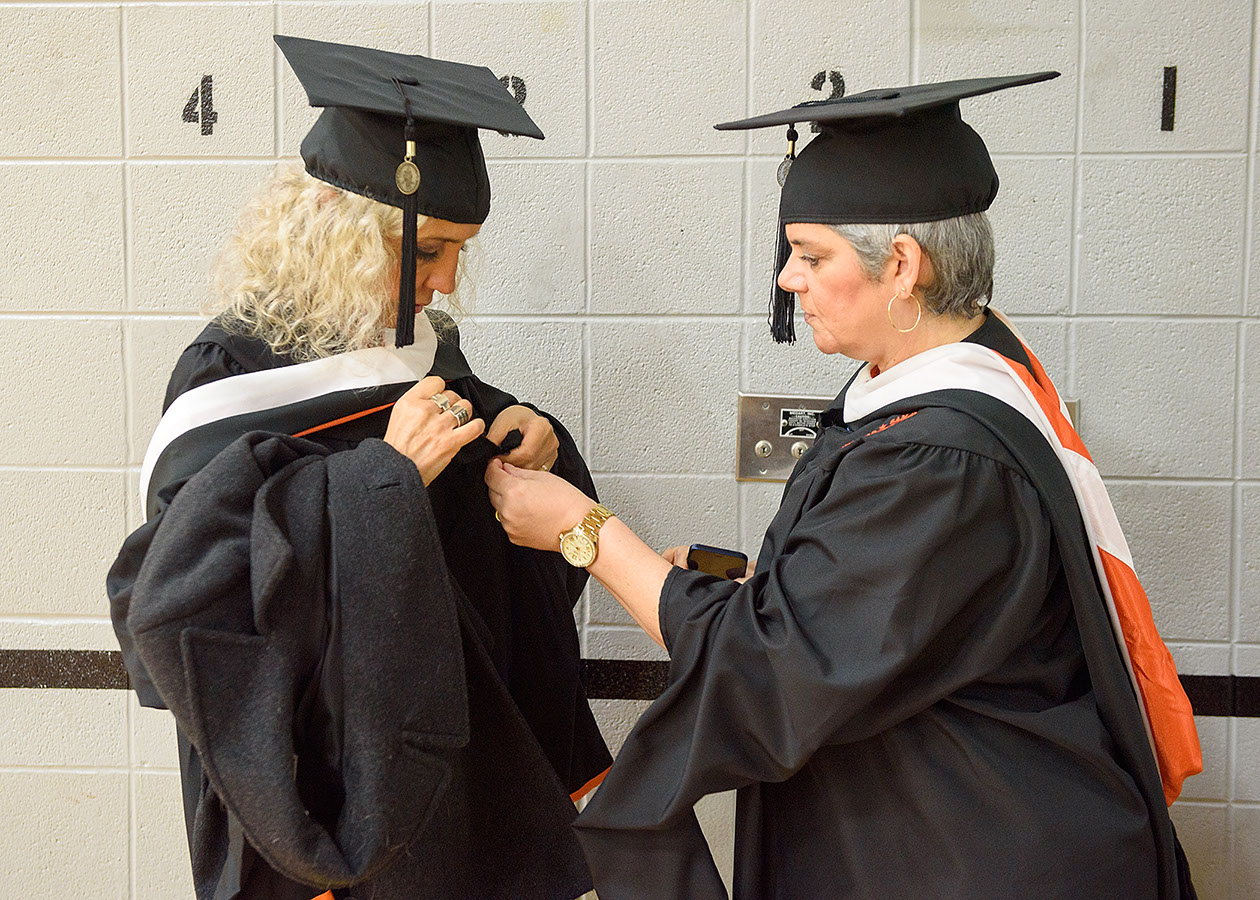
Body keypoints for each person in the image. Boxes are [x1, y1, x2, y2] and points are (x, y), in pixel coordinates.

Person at [486, 73, 1202, 899]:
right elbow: (886, 619)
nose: (789, 279)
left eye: (811, 255)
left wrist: (586, 532)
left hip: (975, 851)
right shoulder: (950, 387)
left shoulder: (940, 458)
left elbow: (772, 676)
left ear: (902, 265)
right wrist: (772, 588)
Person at [108, 35, 609, 900]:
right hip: (327, 776)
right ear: (339, 237)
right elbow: (191, 592)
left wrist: (530, 434)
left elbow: (477, 485)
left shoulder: (409, 349)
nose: (446, 281)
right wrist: (385, 479)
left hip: (456, 753)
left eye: (459, 250)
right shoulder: (227, 376)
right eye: (427, 251)